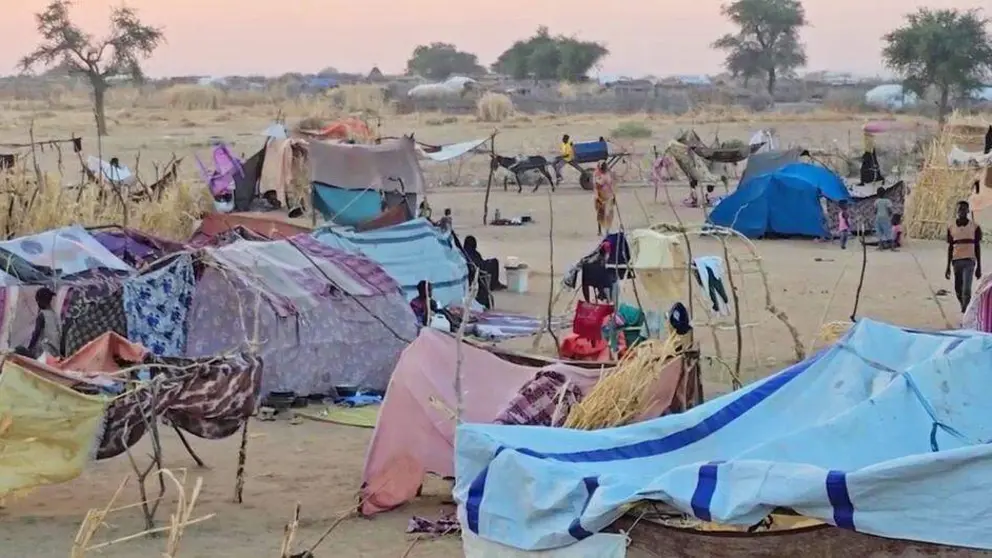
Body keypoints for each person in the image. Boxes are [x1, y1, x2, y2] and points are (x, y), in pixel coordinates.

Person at [945, 200, 982, 312]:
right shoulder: (951, 227)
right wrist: (947, 267)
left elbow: (977, 247)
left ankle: (965, 310)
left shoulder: (975, 227)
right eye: (960, 209)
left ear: (967, 211)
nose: (962, 211)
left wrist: (979, 266)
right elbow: (950, 247)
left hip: (969, 261)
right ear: (957, 211)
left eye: (964, 209)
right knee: (958, 288)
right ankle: (964, 306)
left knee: (966, 289)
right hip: (956, 261)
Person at [462, 235, 505, 308]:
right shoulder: (474, 253)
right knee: (494, 262)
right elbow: (479, 262)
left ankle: (494, 284)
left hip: (472, 270)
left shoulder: (462, 252)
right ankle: (494, 284)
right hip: (478, 270)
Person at [27, 287, 62, 358]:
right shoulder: (55, 315)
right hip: (55, 353)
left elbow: (36, 334)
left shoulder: (42, 315)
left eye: (37, 301)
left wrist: (29, 348)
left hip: (43, 352)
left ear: (41, 300)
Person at [593, 162, 616, 235]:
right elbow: (597, 186)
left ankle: (605, 230)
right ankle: (604, 230)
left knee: (604, 214)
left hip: (606, 197)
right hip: (602, 197)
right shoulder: (603, 176)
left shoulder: (604, 176)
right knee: (603, 214)